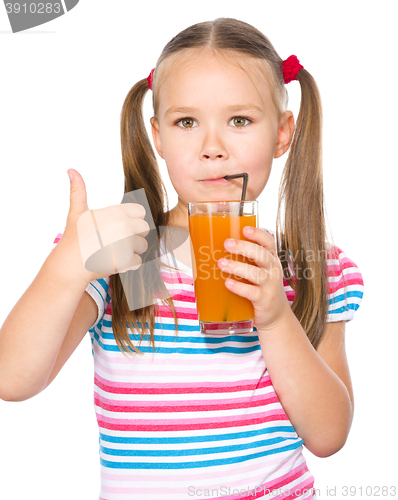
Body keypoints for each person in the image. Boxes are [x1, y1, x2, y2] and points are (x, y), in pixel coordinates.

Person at [0, 17, 364, 500]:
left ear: (282, 133)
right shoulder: (126, 254)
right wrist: (69, 263)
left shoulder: (310, 264)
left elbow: (329, 436)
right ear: (158, 136)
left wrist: (275, 318)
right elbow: (14, 380)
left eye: (240, 120)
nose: (212, 148)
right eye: (186, 122)